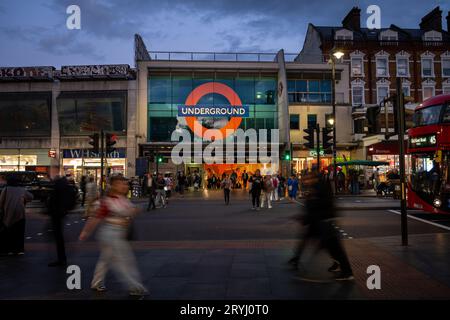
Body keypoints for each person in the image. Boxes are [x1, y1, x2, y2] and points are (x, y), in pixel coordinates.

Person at [79, 175, 147, 296]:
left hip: (118, 233)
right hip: (111, 234)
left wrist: (134, 211)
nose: (126, 186)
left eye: (126, 184)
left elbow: (129, 211)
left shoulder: (122, 199)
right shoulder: (108, 201)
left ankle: (96, 282)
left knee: (106, 259)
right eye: (122, 184)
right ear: (115, 185)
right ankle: (134, 286)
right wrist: (85, 232)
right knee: (123, 261)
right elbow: (95, 218)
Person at [288, 171, 354, 281]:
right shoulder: (314, 188)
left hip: (325, 221)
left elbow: (321, 204)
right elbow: (311, 206)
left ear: (313, 178)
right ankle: (297, 259)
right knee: (322, 244)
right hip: (318, 221)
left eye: (307, 178)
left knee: (333, 246)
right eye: (305, 179)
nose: (305, 181)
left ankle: (347, 272)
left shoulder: (320, 187)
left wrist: (307, 217)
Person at [0, 176, 33, 255]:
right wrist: (24, 200)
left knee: (8, 232)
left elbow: (1, 202)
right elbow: (31, 197)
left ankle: (8, 249)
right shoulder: (22, 190)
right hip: (20, 214)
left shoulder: (6, 189)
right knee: (19, 232)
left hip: (8, 213)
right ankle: (19, 250)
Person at [47, 167, 70, 267]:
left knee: (58, 236)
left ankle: (61, 259)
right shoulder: (63, 183)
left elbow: (55, 199)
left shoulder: (58, 184)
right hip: (59, 213)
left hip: (57, 213)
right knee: (58, 236)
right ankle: (61, 258)